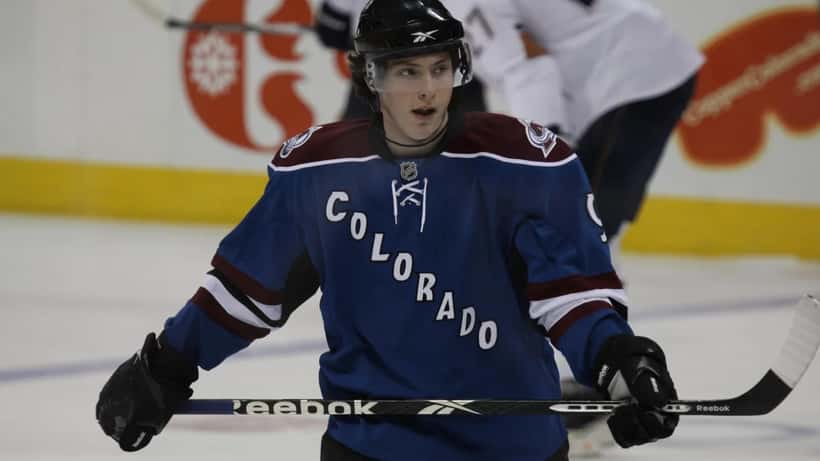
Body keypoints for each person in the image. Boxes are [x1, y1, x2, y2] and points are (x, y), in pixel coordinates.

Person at [95, 1, 680, 459]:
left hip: (513, 446)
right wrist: (166, 366)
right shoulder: (318, 171)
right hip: (371, 448)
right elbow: (247, 290)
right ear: (370, 78)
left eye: (439, 68)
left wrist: (620, 361)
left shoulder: (525, 166)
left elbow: (572, 297)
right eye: (406, 71)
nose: (427, 88)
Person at [446, 0, 704, 247]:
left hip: (634, 70)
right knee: (580, 218)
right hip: (629, 64)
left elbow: (530, 69)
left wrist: (541, 157)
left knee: (582, 218)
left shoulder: (463, 5)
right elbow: (465, 98)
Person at [315, 0, 488, 120]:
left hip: (382, 71)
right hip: (452, 72)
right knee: (468, 159)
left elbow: (330, 32)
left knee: (358, 162)